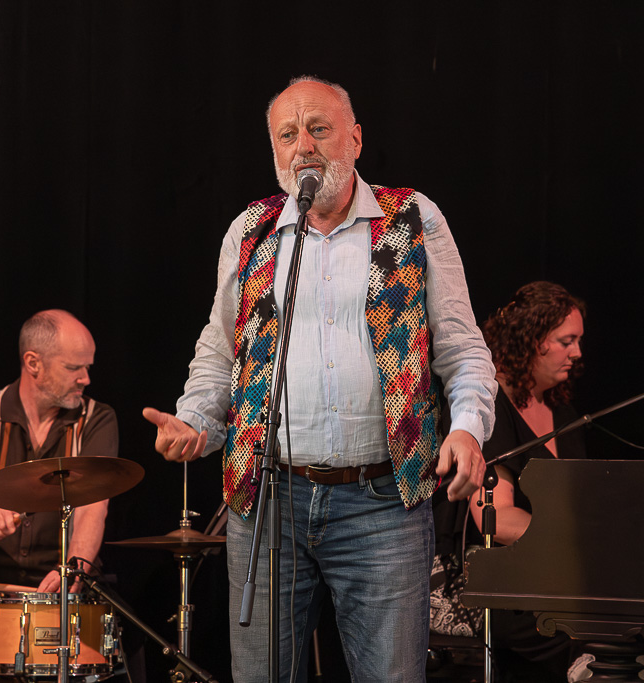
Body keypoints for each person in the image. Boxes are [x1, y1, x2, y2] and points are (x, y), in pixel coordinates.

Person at [143, 75, 496, 682]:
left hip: (382, 504)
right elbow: (220, 352)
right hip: (268, 501)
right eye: (287, 135)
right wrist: (195, 420)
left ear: (355, 139)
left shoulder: (411, 217)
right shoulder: (252, 232)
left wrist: (467, 428)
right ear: (274, 152)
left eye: (318, 128)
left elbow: (463, 349)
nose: (303, 145)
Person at [0, 309, 117, 668]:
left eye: (88, 367)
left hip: (65, 586)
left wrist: (73, 570)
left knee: (122, 655)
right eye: (74, 368)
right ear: (33, 363)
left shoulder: (97, 418)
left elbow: (92, 511)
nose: (86, 378)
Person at [467, 282, 587, 679]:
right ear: (532, 341)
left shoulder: (563, 413)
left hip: (555, 578)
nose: (577, 353)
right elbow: (497, 519)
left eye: (578, 341)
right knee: (585, 627)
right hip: (493, 581)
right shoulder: (490, 407)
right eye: (566, 341)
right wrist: (575, 547)